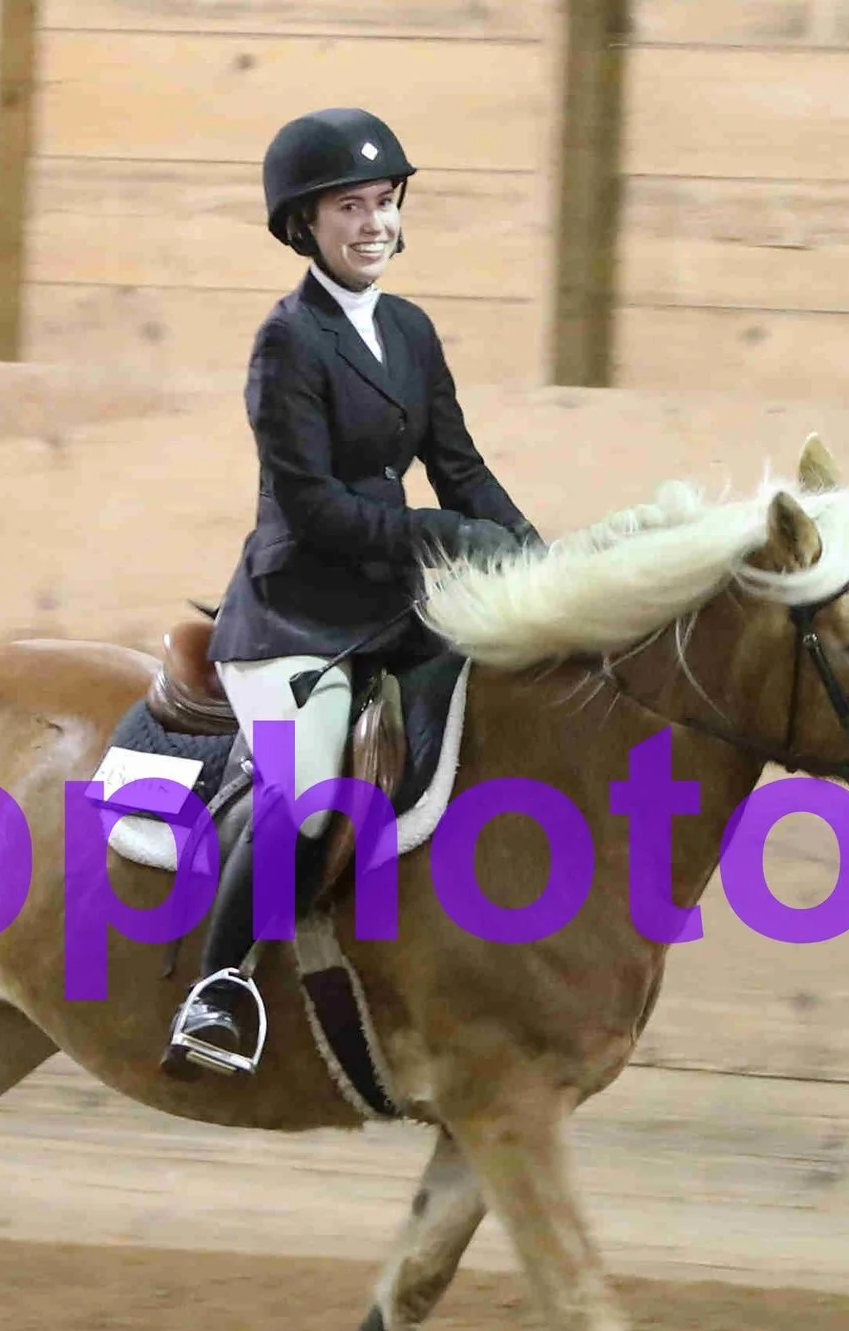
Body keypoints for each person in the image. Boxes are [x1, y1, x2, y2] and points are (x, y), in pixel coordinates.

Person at [161, 106, 538, 1081]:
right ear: (305, 224)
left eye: (383, 202)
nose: (374, 223)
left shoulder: (408, 329)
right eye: (349, 207)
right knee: (311, 781)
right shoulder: (287, 341)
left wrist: (543, 563)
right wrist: (443, 537)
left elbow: (460, 467)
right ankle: (221, 985)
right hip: (297, 613)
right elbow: (314, 508)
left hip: (394, 606)